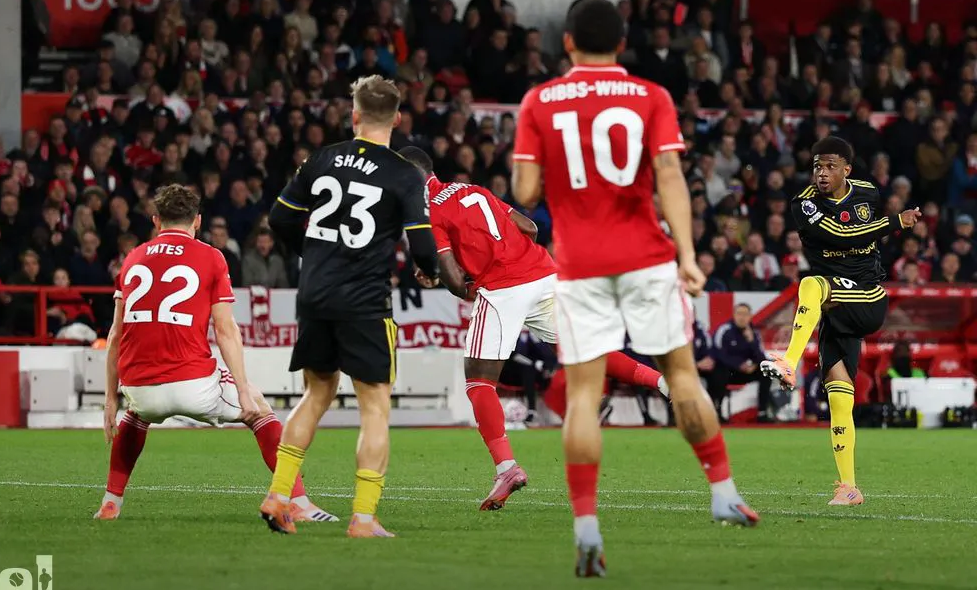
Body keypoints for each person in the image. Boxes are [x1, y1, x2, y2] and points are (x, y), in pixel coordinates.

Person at [511, 0, 759, 577]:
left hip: (579, 266)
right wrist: (690, 255)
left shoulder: (539, 101)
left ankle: (587, 530)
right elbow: (670, 174)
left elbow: (524, 191)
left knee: (580, 394)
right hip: (646, 259)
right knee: (681, 375)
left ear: (567, 43)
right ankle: (723, 493)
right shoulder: (651, 96)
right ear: (622, 44)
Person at [398, 146, 669, 509]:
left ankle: (506, 466)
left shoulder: (429, 211)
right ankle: (664, 382)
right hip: (542, 274)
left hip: (502, 288)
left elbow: (447, 269)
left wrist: (464, 287)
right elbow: (530, 227)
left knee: (479, 380)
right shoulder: (473, 189)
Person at [262, 76, 440, 538]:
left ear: (354, 114)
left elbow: (280, 217)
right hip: (364, 301)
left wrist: (315, 253)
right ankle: (363, 517)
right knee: (375, 409)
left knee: (314, 395)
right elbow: (422, 246)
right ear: (397, 118)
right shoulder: (403, 172)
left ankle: (279, 494)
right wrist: (431, 272)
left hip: (316, 294)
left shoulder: (321, 158)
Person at [96, 185, 335, 523]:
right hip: (193, 383)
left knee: (137, 414)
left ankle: (111, 502)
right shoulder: (211, 256)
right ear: (197, 221)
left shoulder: (133, 258)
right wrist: (241, 390)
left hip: (137, 385)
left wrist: (109, 399)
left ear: (155, 220)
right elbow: (225, 330)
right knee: (259, 410)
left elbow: (116, 334)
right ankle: (295, 500)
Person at [762, 137, 921, 507]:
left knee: (809, 284)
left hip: (866, 297)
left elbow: (863, 237)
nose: (821, 173)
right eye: (817, 166)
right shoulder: (803, 203)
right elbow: (843, 235)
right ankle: (849, 486)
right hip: (835, 304)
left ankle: (788, 360)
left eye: (830, 166)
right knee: (838, 393)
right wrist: (895, 223)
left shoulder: (867, 191)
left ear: (847, 169)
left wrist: (889, 222)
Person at [709, 303, 772, 421]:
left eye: (745, 314)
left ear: (750, 316)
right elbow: (718, 353)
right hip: (729, 370)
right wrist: (738, 365)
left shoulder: (754, 333)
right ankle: (718, 412)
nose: (742, 317)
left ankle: (762, 412)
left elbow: (761, 357)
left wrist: (752, 341)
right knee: (718, 371)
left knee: (766, 371)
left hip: (747, 371)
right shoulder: (725, 330)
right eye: (739, 314)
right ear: (734, 315)